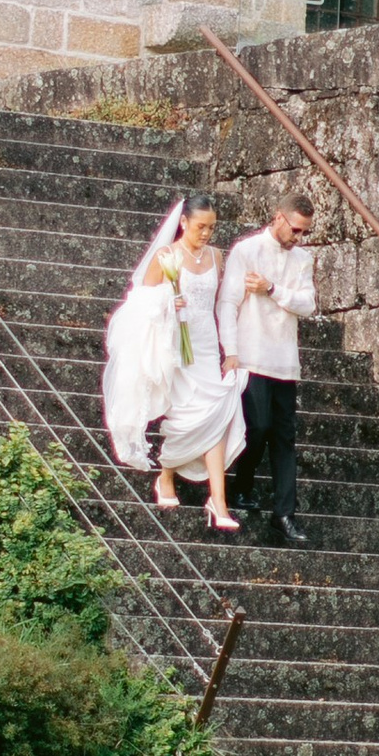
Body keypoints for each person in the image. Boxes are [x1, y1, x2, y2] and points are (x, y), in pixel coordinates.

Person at [100, 197, 245, 532]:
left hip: (207, 346)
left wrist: (230, 349)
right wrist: (169, 299)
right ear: (183, 224)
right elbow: (140, 305)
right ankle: (165, 477)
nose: (207, 233)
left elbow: (220, 304)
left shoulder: (216, 257)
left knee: (217, 414)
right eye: (200, 227)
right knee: (183, 418)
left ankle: (218, 501)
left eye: (211, 227)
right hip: (177, 347)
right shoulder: (166, 257)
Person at [218, 190, 317, 545]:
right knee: (256, 427)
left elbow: (308, 304)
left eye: (304, 232)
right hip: (251, 354)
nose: (298, 237)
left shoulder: (302, 259)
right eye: (295, 229)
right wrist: (230, 351)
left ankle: (285, 514)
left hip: (285, 360)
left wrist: (272, 288)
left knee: (284, 438)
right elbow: (228, 302)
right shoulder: (247, 251)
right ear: (278, 218)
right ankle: (241, 485)